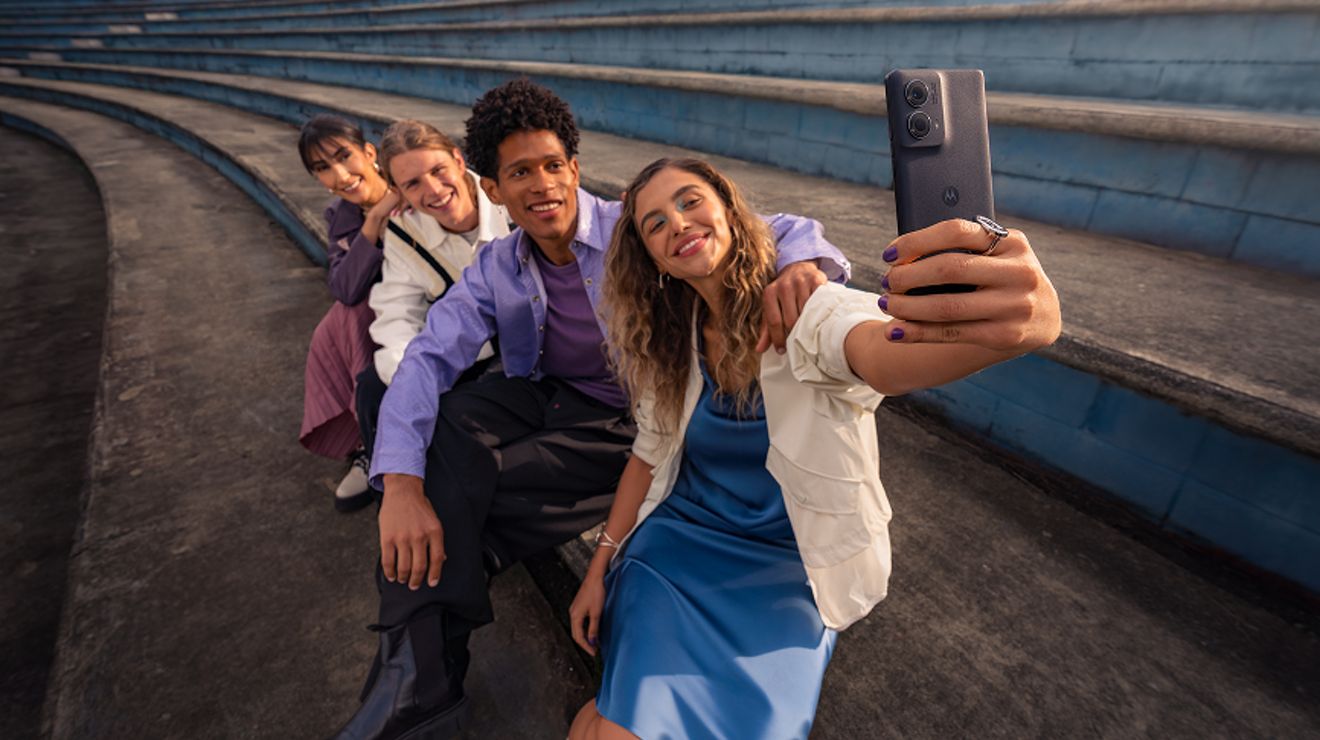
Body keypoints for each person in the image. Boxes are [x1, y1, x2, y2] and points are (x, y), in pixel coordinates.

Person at [333, 80, 851, 740]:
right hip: (553, 398)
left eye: (553, 166)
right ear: (493, 189)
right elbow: (427, 359)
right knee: (443, 428)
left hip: (636, 422)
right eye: (520, 172)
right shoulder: (498, 266)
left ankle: (416, 675)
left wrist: (803, 261)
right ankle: (420, 672)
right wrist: (398, 486)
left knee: (465, 497)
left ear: (574, 170)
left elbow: (774, 226)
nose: (542, 184)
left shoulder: (633, 230)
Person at [566, 158, 1062, 739]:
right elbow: (647, 455)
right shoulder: (672, 342)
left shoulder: (804, 308)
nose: (677, 222)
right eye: (654, 224)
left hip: (787, 571)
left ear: (729, 210)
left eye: (690, 201)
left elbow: (875, 352)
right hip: (678, 551)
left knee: (606, 728)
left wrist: (1007, 331)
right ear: (654, 262)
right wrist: (598, 569)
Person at [353, 119, 511, 454]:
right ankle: (388, 479)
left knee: (458, 417)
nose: (433, 190)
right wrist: (413, 377)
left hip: (521, 349)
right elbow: (397, 311)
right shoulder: (405, 230)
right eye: (412, 184)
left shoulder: (508, 200)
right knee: (372, 387)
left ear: (458, 159)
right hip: (457, 356)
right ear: (399, 192)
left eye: (438, 170)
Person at [297, 115, 400, 513]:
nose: (340, 175)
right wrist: (373, 221)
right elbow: (343, 286)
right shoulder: (340, 215)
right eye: (323, 168)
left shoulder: (410, 185)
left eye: (345, 157)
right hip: (378, 316)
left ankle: (376, 442)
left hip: (427, 306)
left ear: (370, 153)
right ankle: (369, 441)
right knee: (349, 313)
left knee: (350, 317)